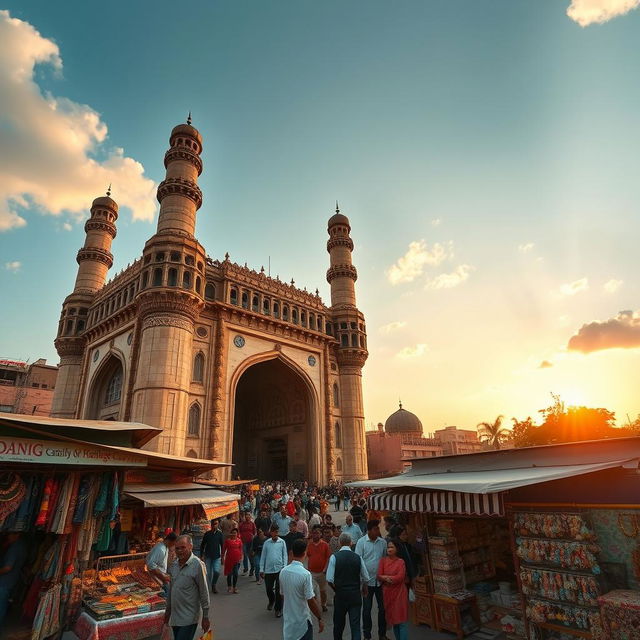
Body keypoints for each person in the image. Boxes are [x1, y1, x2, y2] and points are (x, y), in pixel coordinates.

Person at [164, 535, 210, 640]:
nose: (179, 551)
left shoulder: (198, 565)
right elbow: (171, 590)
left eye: (183, 547)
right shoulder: (174, 565)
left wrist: (205, 617)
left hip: (189, 618)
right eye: (177, 548)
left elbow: (204, 592)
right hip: (175, 618)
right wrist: (167, 614)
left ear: (190, 547)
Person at [327, 533, 370, 640]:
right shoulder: (358, 558)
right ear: (351, 543)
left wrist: (336, 589)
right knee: (355, 626)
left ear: (340, 543)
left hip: (341, 595)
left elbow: (329, 579)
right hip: (355, 595)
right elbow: (366, 578)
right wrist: (364, 589)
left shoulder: (334, 557)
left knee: (338, 625)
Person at [280, 539, 325, 640]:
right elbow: (310, 600)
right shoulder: (305, 574)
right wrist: (319, 617)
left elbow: (283, 595)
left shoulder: (283, 572)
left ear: (292, 552)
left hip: (288, 623)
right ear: (305, 553)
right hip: (302, 623)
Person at [355, 520, 389, 640]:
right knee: (367, 610)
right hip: (367, 583)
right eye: (375, 529)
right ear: (369, 530)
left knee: (383, 608)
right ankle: (367, 635)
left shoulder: (383, 543)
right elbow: (358, 562)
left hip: (380, 582)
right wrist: (362, 581)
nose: (378, 531)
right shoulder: (361, 542)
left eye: (378, 529)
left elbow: (385, 559)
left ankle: (382, 634)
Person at [377, 540, 409, 640]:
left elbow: (400, 577)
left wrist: (386, 578)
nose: (389, 549)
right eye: (388, 547)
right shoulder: (383, 561)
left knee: (402, 621)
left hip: (399, 593)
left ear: (397, 549)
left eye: (392, 547)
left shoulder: (401, 562)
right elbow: (378, 575)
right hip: (388, 593)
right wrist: (386, 578)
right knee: (394, 620)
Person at [260, 524, 288, 618]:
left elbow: (285, 555)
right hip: (268, 570)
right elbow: (263, 556)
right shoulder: (266, 543)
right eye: (274, 532)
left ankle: (278, 609)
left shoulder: (282, 542)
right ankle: (271, 600)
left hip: (280, 569)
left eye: (277, 532)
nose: (276, 533)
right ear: (271, 532)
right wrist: (261, 569)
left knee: (278, 590)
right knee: (268, 589)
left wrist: (284, 567)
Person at [0, 532, 28, 627]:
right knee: (3, 606)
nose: (8, 536)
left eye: (10, 534)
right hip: (12, 580)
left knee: (1, 606)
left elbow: (8, 567)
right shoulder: (22, 546)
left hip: (5, 582)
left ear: (17, 534)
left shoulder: (14, 548)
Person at [306, 525, 331, 612]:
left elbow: (328, 558)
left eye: (317, 533)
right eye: (314, 533)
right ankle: (316, 605)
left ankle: (323, 604)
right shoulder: (309, 545)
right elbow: (308, 556)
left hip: (322, 572)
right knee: (312, 591)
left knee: (323, 591)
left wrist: (325, 569)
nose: (315, 535)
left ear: (320, 534)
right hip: (312, 572)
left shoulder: (325, 545)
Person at [200, 519, 224, 593]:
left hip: (217, 556)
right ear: (211, 525)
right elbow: (202, 545)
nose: (214, 525)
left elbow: (222, 546)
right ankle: (208, 587)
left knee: (217, 572)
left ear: (218, 524)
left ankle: (214, 584)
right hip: (208, 556)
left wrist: (223, 557)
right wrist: (201, 555)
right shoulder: (207, 534)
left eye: (216, 524)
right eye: (213, 524)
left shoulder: (220, 534)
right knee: (208, 574)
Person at [222, 528, 243, 593]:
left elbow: (241, 550)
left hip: (236, 560)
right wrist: (222, 558)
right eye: (233, 532)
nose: (234, 534)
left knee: (236, 574)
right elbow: (223, 550)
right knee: (229, 574)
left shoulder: (239, 541)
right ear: (231, 533)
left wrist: (241, 557)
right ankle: (229, 587)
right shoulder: (227, 541)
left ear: (237, 534)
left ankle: (234, 587)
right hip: (229, 560)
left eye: (235, 533)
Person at [239, 512, 257, 576]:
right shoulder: (241, 524)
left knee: (250, 556)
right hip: (243, 542)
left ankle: (252, 568)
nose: (247, 516)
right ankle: (246, 568)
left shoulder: (252, 524)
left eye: (248, 515)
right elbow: (239, 532)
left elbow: (254, 532)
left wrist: (253, 539)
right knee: (245, 555)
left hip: (251, 542)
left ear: (250, 516)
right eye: (246, 515)